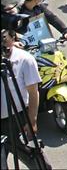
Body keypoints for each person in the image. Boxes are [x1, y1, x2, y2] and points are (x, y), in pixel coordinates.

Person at [18, 0, 67, 109]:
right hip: (27, 49)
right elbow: (12, 31)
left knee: (61, 65)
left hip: (45, 45)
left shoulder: (39, 7)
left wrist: (66, 32)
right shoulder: (18, 13)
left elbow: (52, 18)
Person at [0, 28, 48, 170]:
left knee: (40, 164)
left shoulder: (24, 60)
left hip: (18, 120)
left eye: (3, 38)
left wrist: (31, 121)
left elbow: (34, 93)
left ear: (13, 38)